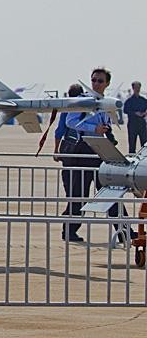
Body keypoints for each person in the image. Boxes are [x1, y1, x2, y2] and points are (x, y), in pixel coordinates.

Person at [59, 68, 128, 243]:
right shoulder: (83, 100)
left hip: (100, 149)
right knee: (78, 193)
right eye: (94, 80)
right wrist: (93, 129)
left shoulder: (105, 102)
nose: (96, 84)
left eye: (100, 81)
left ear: (107, 84)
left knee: (110, 191)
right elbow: (70, 122)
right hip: (82, 150)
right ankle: (69, 230)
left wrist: (104, 131)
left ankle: (124, 231)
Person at [125, 81, 147, 153]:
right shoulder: (129, 101)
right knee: (132, 145)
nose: (137, 89)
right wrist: (135, 113)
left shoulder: (143, 100)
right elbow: (125, 110)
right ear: (133, 88)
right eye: (136, 87)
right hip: (132, 125)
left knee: (144, 145)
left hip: (142, 124)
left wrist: (144, 113)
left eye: (138, 87)